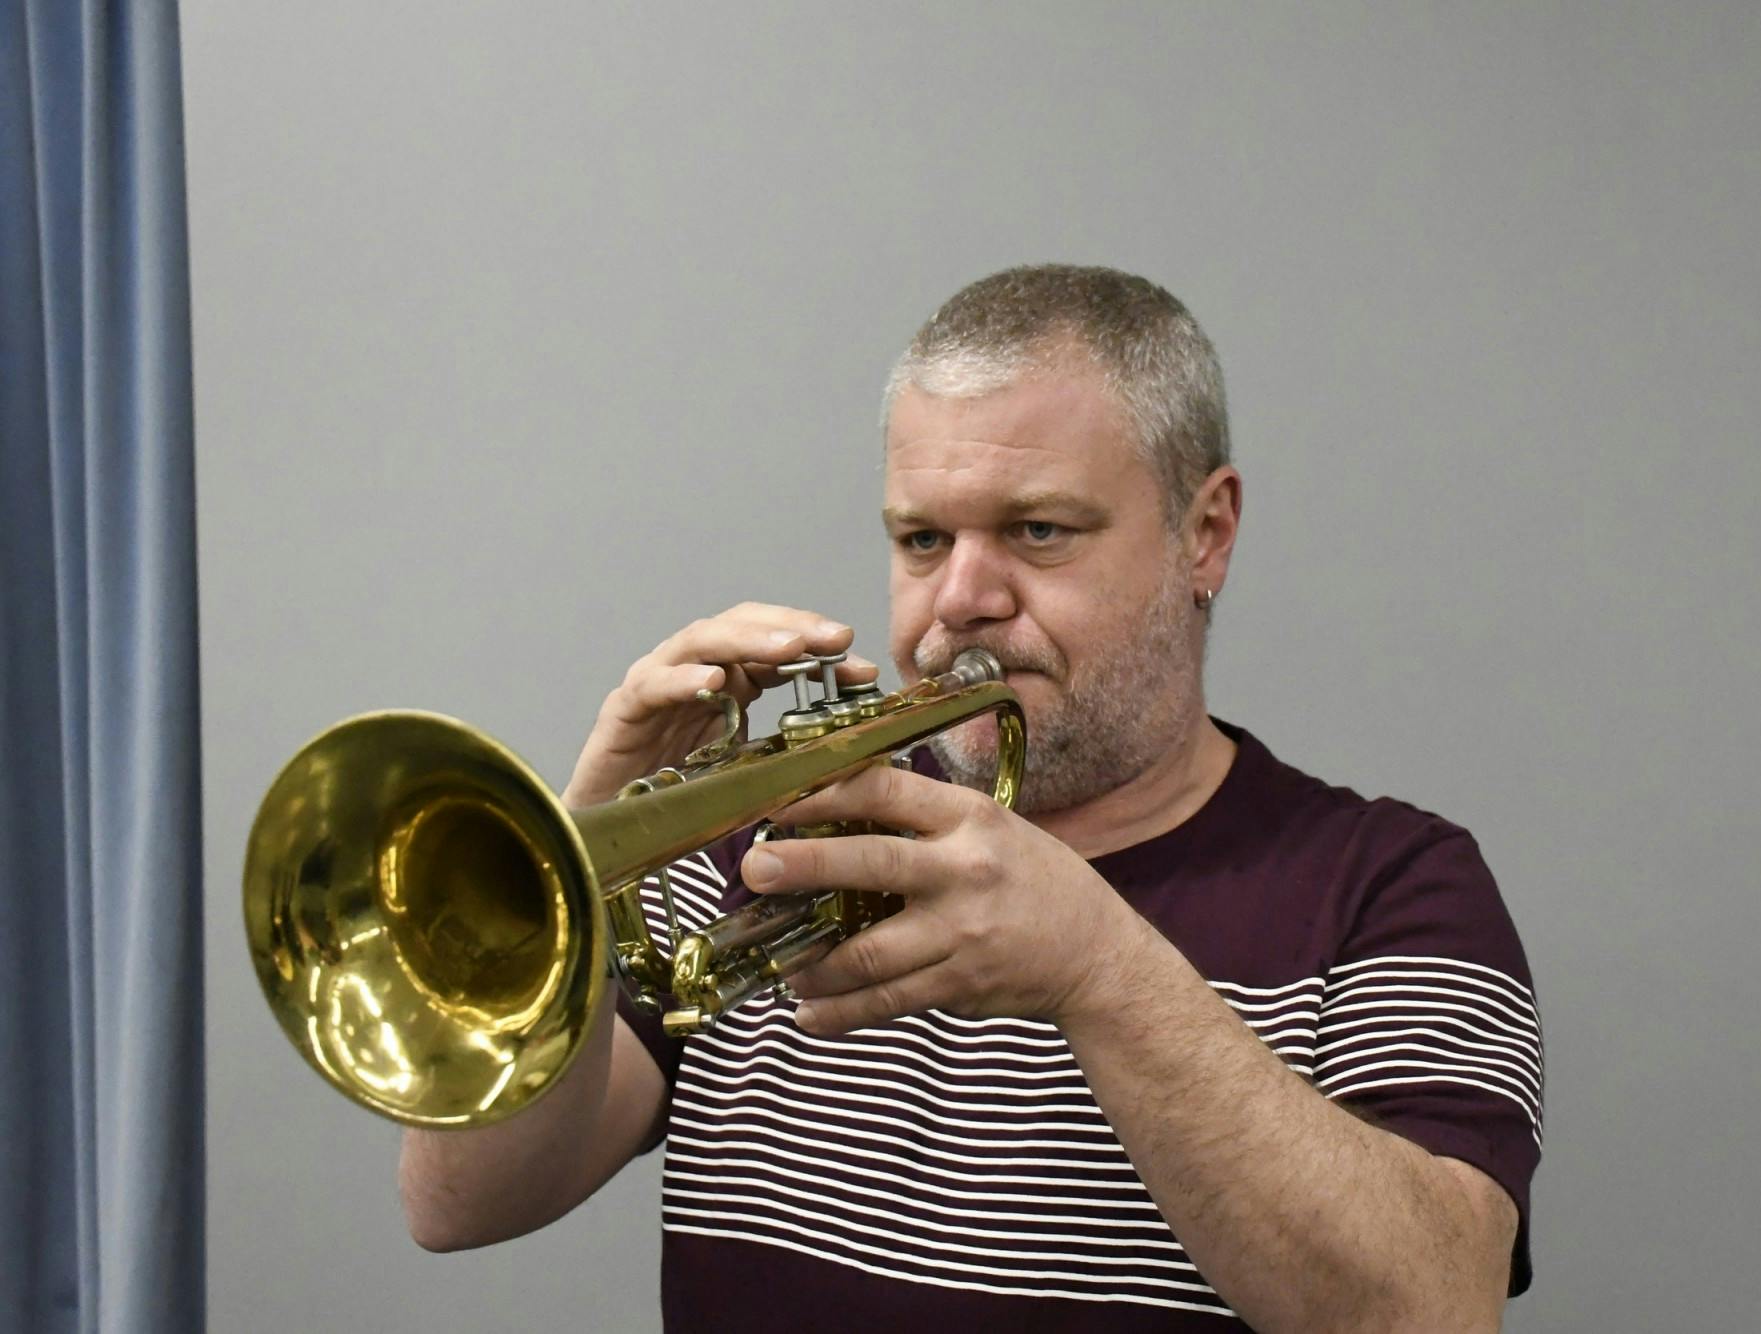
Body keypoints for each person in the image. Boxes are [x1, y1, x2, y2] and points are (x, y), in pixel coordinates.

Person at [397, 265, 1544, 1332]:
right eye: (921, 537)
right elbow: (458, 1199)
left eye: (1038, 530)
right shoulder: (769, 846)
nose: (959, 598)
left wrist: (1098, 968)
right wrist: (576, 856)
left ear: (1205, 534)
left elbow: (1435, 1305)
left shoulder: (1389, 884)